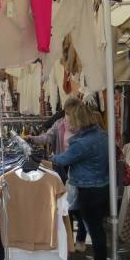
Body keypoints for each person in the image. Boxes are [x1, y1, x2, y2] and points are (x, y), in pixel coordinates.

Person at [51, 100, 110, 260]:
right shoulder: (100, 134)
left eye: (68, 118)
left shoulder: (83, 143)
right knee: (96, 227)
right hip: (101, 186)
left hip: (89, 189)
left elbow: (63, 160)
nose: (66, 122)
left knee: (95, 229)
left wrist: (48, 157)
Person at [26, 97, 89, 252]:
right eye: (66, 113)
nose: (67, 116)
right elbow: (48, 137)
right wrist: (33, 139)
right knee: (64, 203)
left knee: (79, 204)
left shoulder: (84, 126)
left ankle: (80, 239)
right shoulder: (59, 124)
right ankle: (68, 238)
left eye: (70, 113)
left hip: (78, 167)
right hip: (62, 166)